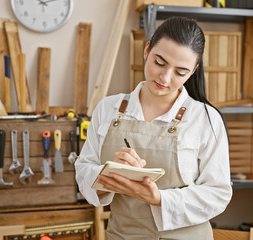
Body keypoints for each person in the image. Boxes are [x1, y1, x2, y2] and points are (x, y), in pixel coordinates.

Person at [75, 16, 232, 239]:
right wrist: (108, 174)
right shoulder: (108, 108)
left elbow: (218, 194)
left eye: (180, 72)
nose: (165, 78)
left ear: (194, 70)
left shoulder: (205, 119)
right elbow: (83, 169)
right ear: (147, 49)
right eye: (160, 62)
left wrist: (158, 199)